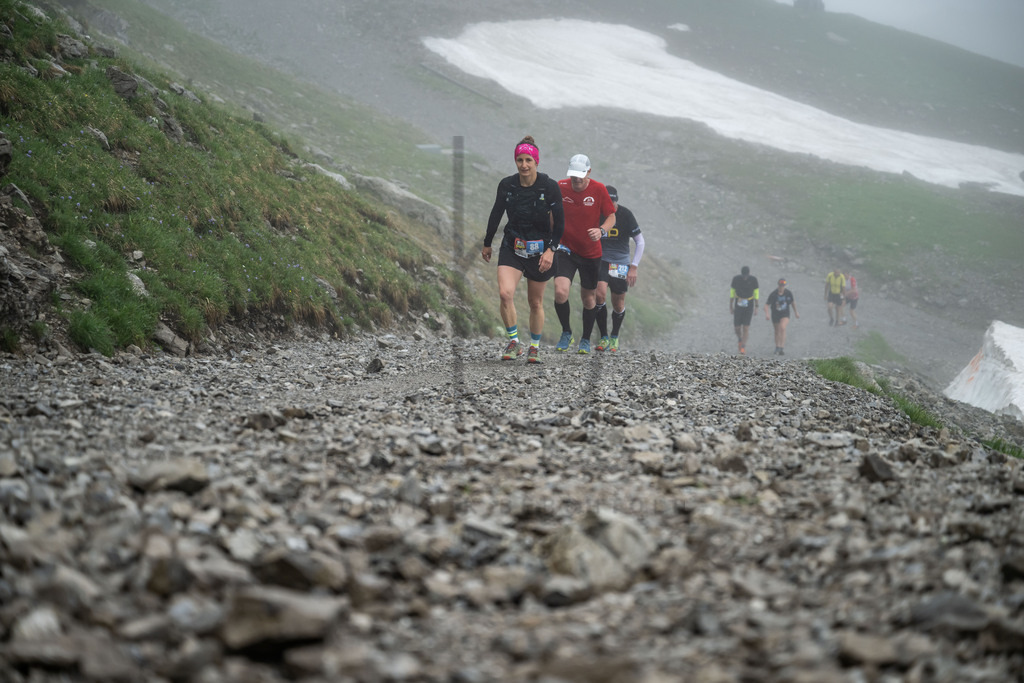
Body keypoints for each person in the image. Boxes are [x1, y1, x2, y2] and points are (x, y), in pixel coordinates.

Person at [482, 135, 564, 364]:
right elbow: (496, 213)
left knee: (535, 302)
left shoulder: (549, 187)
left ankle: (535, 347)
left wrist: (551, 250)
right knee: (505, 293)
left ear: (536, 161)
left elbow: (560, 224)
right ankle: (514, 342)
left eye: (529, 160)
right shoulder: (507, 185)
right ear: (515, 161)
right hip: (513, 246)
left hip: (541, 251)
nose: (524, 164)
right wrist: (487, 242)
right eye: (520, 160)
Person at [553, 154, 616, 354]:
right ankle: (566, 332)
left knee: (589, 298)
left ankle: (586, 339)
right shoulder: (560, 186)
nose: (576, 180)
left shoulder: (598, 189)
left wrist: (601, 230)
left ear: (588, 172)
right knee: (560, 291)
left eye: (580, 175)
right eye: (573, 176)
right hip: (566, 249)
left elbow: (611, 216)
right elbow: (550, 212)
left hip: (590, 252)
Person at [594, 185, 645, 352]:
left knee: (618, 303)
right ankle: (603, 337)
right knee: (599, 294)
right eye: (608, 201)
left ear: (617, 201)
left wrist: (634, 267)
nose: (611, 205)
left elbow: (640, 241)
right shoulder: (598, 213)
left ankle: (614, 336)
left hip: (620, 263)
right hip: (601, 260)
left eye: (613, 201)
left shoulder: (626, 214)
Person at [729, 266, 759, 355]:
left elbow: (756, 294)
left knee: (746, 327)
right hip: (738, 303)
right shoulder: (736, 279)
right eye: (743, 276)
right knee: (737, 328)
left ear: (749, 274)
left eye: (746, 276)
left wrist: (756, 306)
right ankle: (740, 339)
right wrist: (730, 306)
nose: (745, 278)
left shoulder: (753, 280)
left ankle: (743, 347)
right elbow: (732, 293)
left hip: (749, 304)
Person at [765, 278, 799, 355]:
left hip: (785, 314)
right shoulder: (773, 294)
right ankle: (777, 346)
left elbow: (793, 303)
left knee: (782, 327)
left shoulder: (788, 293)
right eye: (780, 286)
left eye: (783, 286)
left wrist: (796, 312)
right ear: (778, 285)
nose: (781, 287)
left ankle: (781, 347)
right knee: (777, 331)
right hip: (775, 314)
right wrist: (767, 314)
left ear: (785, 286)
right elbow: (766, 305)